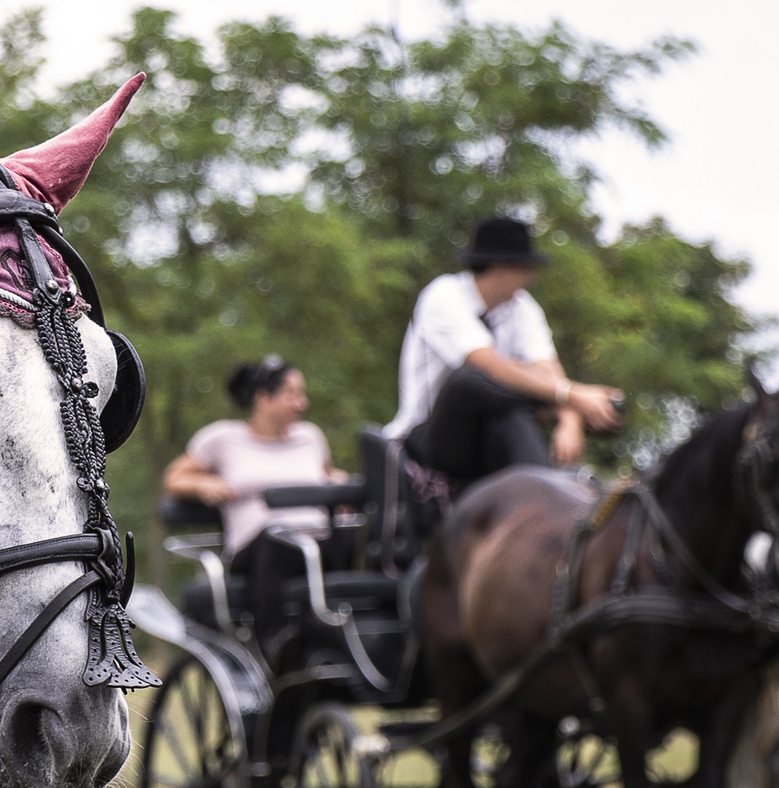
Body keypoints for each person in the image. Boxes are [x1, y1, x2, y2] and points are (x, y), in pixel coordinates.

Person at [382, 217, 622, 485]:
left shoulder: (523, 308)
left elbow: (549, 374)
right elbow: (489, 366)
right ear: (499, 268)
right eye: (525, 269)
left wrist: (570, 415)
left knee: (509, 411)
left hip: (491, 434)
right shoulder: (443, 295)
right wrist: (576, 396)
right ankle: (547, 485)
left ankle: (546, 492)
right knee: (471, 381)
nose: (530, 278)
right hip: (430, 439)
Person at [163, 356, 348, 637]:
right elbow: (174, 477)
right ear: (263, 397)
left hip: (317, 543)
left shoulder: (310, 437)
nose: (303, 403)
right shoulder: (222, 438)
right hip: (259, 551)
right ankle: (273, 642)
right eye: (293, 394)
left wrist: (341, 485)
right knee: (275, 539)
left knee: (353, 532)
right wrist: (203, 484)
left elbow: (327, 475)